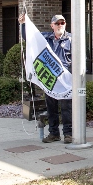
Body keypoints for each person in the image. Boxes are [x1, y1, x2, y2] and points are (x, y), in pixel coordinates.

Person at [19, 13, 73, 143]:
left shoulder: (71, 39)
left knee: (67, 109)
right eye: (57, 23)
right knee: (51, 108)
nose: (60, 25)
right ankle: (54, 133)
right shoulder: (46, 38)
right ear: (52, 26)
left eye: (62, 23)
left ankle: (68, 134)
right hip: (51, 81)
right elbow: (29, 38)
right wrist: (23, 24)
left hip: (65, 81)